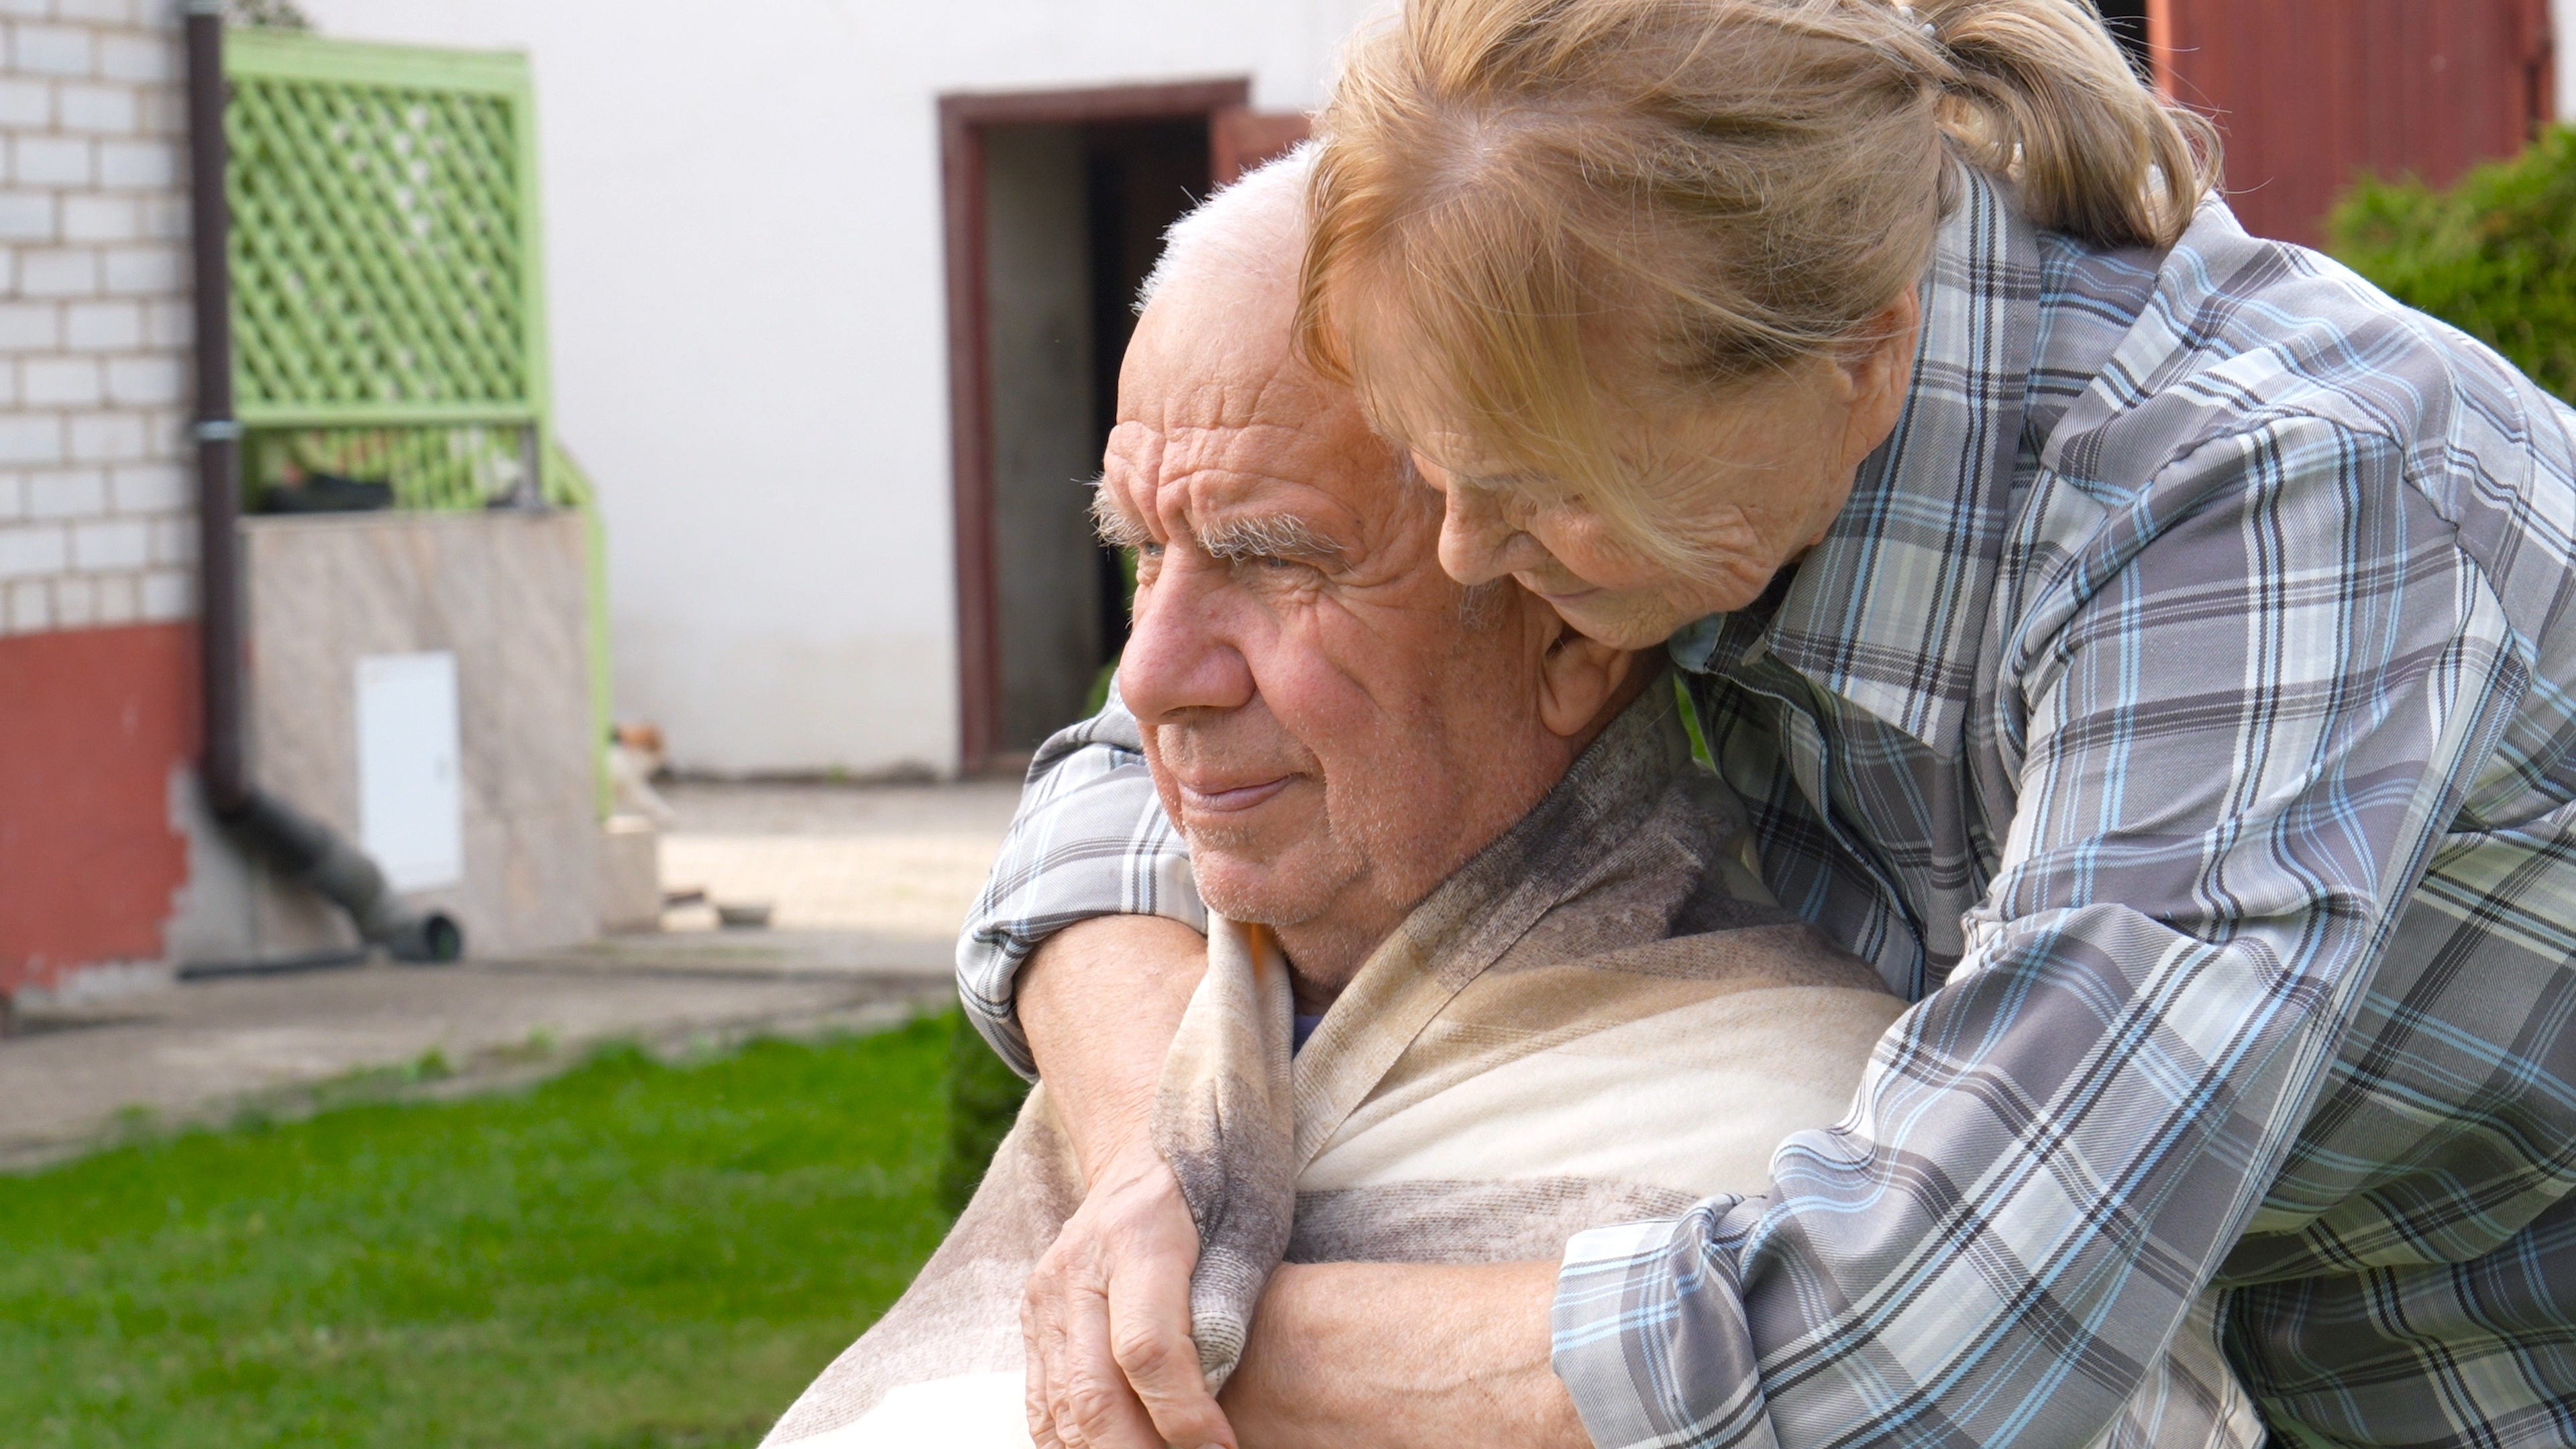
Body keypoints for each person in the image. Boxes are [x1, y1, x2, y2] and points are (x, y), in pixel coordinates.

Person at [967, 1, 2576, 1447]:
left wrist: (1192, 1352)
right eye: (1442, 473)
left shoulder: (2270, 502)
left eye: (1529, 499)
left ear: (1863, 358)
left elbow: (1944, 1328)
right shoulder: (1652, 412)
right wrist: (1159, 1179)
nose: (1466, 557)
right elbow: (1132, 775)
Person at [762, 156, 1907, 1449]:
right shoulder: (1206, 1013)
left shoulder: (1789, 1169)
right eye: (1145, 552)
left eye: (1272, 562)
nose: (1145, 678)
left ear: (1579, 625)